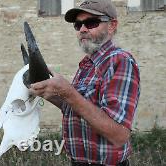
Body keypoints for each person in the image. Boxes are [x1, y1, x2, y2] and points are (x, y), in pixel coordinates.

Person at [29, 0, 140, 165]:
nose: (82, 29)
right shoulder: (87, 64)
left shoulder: (120, 61)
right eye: (78, 24)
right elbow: (78, 108)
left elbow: (119, 135)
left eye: (91, 22)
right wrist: (51, 92)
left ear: (112, 26)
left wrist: (68, 92)